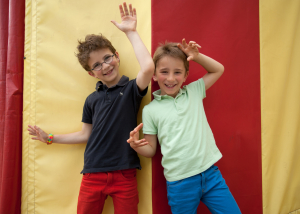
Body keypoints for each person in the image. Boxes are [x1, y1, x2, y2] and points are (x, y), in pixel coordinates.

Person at [27, 2, 154, 214]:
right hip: (93, 174)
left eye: (107, 58)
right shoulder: (91, 99)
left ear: (116, 56)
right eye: (96, 65)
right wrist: (49, 138)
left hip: (125, 173)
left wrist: (131, 32)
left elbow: (148, 67)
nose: (104, 66)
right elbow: (85, 134)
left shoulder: (132, 89)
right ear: (91, 74)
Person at [127, 39, 241, 214]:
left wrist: (196, 56)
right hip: (180, 183)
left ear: (186, 75)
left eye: (177, 72)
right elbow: (150, 150)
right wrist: (136, 146)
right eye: (164, 72)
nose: (171, 78)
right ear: (154, 76)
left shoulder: (193, 92)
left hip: (211, 175)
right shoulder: (150, 110)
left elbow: (218, 69)